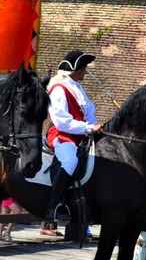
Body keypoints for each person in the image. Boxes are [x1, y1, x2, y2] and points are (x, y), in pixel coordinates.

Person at [44, 50, 102, 236]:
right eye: (83, 68)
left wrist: (95, 127)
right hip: (63, 134)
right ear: (75, 69)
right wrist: (87, 128)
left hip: (82, 135)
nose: (86, 72)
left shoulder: (77, 86)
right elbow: (61, 120)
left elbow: (89, 111)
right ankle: (52, 208)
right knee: (70, 161)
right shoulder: (59, 87)